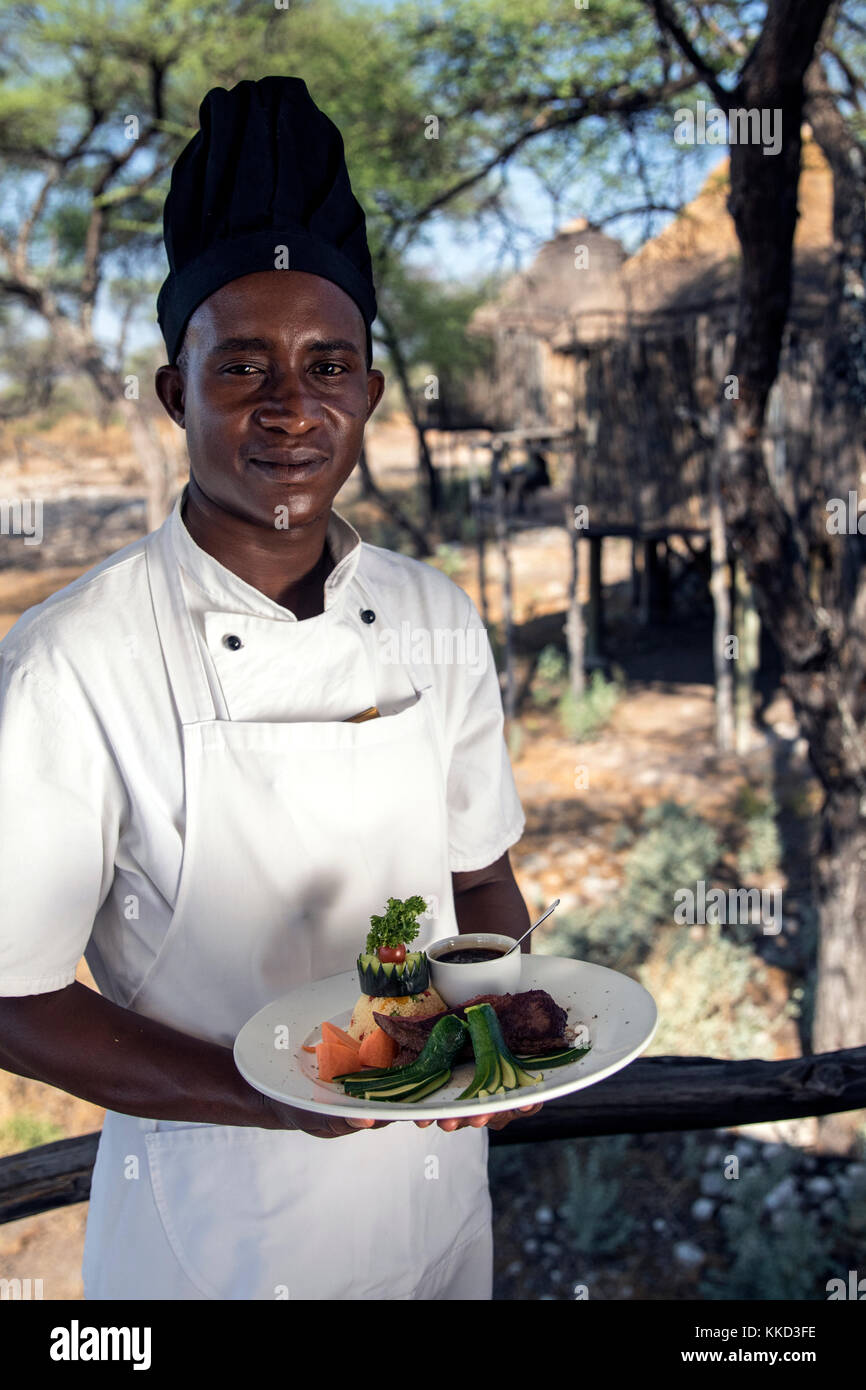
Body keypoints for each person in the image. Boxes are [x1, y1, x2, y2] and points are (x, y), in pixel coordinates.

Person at [0, 75, 540, 1301]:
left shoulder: (431, 614)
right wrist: (270, 1092)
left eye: (327, 363)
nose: (291, 406)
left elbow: (476, 876)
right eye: (241, 366)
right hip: (217, 1225)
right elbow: (13, 999)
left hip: (436, 1189)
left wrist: (496, 1036)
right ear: (173, 392)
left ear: (369, 395)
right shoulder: (72, 657)